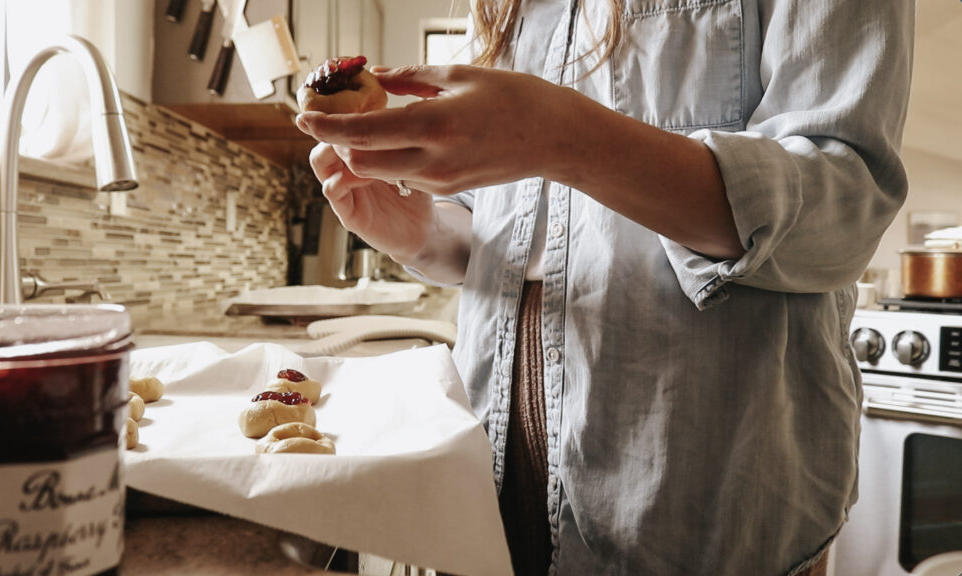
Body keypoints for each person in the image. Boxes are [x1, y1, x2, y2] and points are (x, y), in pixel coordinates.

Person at [296, 1, 914, 574]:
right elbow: (500, 232)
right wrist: (420, 233)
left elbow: (847, 204)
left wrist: (564, 136)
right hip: (488, 485)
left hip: (702, 501)